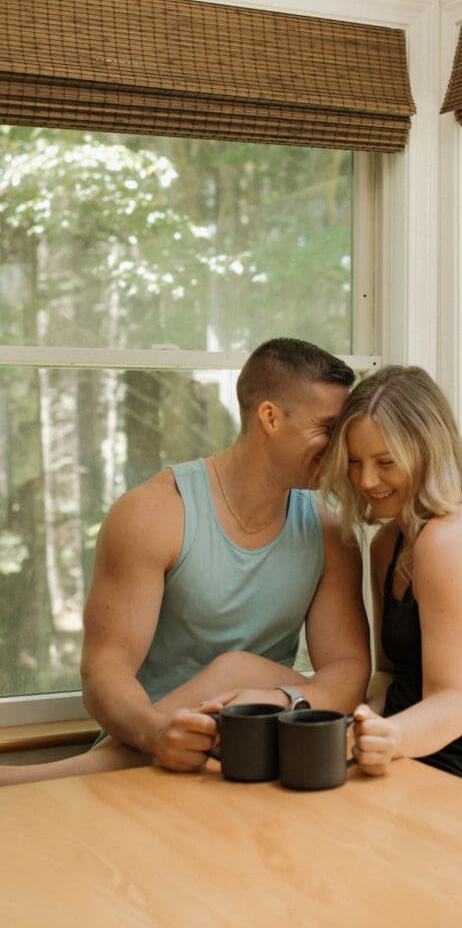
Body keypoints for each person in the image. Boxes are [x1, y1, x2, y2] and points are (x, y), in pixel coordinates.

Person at [0, 337, 371, 786]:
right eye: (328, 428)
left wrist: (283, 699)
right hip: (144, 751)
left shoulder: (331, 531)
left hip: (255, 754)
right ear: (270, 418)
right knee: (237, 668)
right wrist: (159, 734)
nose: (341, 446)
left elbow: (348, 670)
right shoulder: (153, 514)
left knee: (241, 670)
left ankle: (38, 780)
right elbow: (104, 672)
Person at [321, 365, 462, 801]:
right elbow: (389, 674)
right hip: (407, 767)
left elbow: (451, 704)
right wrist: (363, 723)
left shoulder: (453, 539)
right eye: (355, 462)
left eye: (385, 462)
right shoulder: (387, 543)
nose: (366, 480)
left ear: (428, 453)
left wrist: (390, 737)